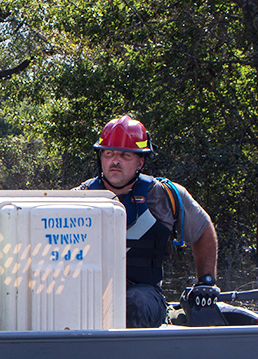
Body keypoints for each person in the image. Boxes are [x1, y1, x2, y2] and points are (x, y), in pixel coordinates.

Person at [78, 115, 220, 328]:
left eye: (125, 155)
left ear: (140, 161)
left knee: (133, 303)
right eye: (108, 154)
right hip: (88, 291)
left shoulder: (166, 196)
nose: (115, 161)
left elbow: (203, 230)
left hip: (144, 295)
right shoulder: (78, 198)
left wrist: (206, 281)